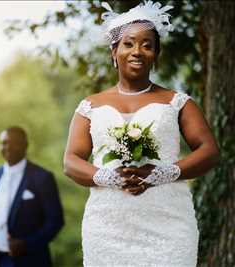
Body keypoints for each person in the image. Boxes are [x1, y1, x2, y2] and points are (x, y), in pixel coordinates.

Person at [63, 1, 220, 266]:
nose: (138, 51)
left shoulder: (177, 102)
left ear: (156, 55)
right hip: (107, 227)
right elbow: (70, 161)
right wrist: (107, 177)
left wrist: (164, 173)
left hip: (168, 224)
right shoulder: (91, 106)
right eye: (129, 43)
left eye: (147, 45)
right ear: (114, 52)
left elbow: (209, 151)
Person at [0, 126, 64, 267]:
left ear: (25, 145)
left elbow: (55, 221)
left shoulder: (42, 177)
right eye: (4, 143)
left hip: (30, 261)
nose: (8, 147)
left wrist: (27, 244)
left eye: (14, 142)